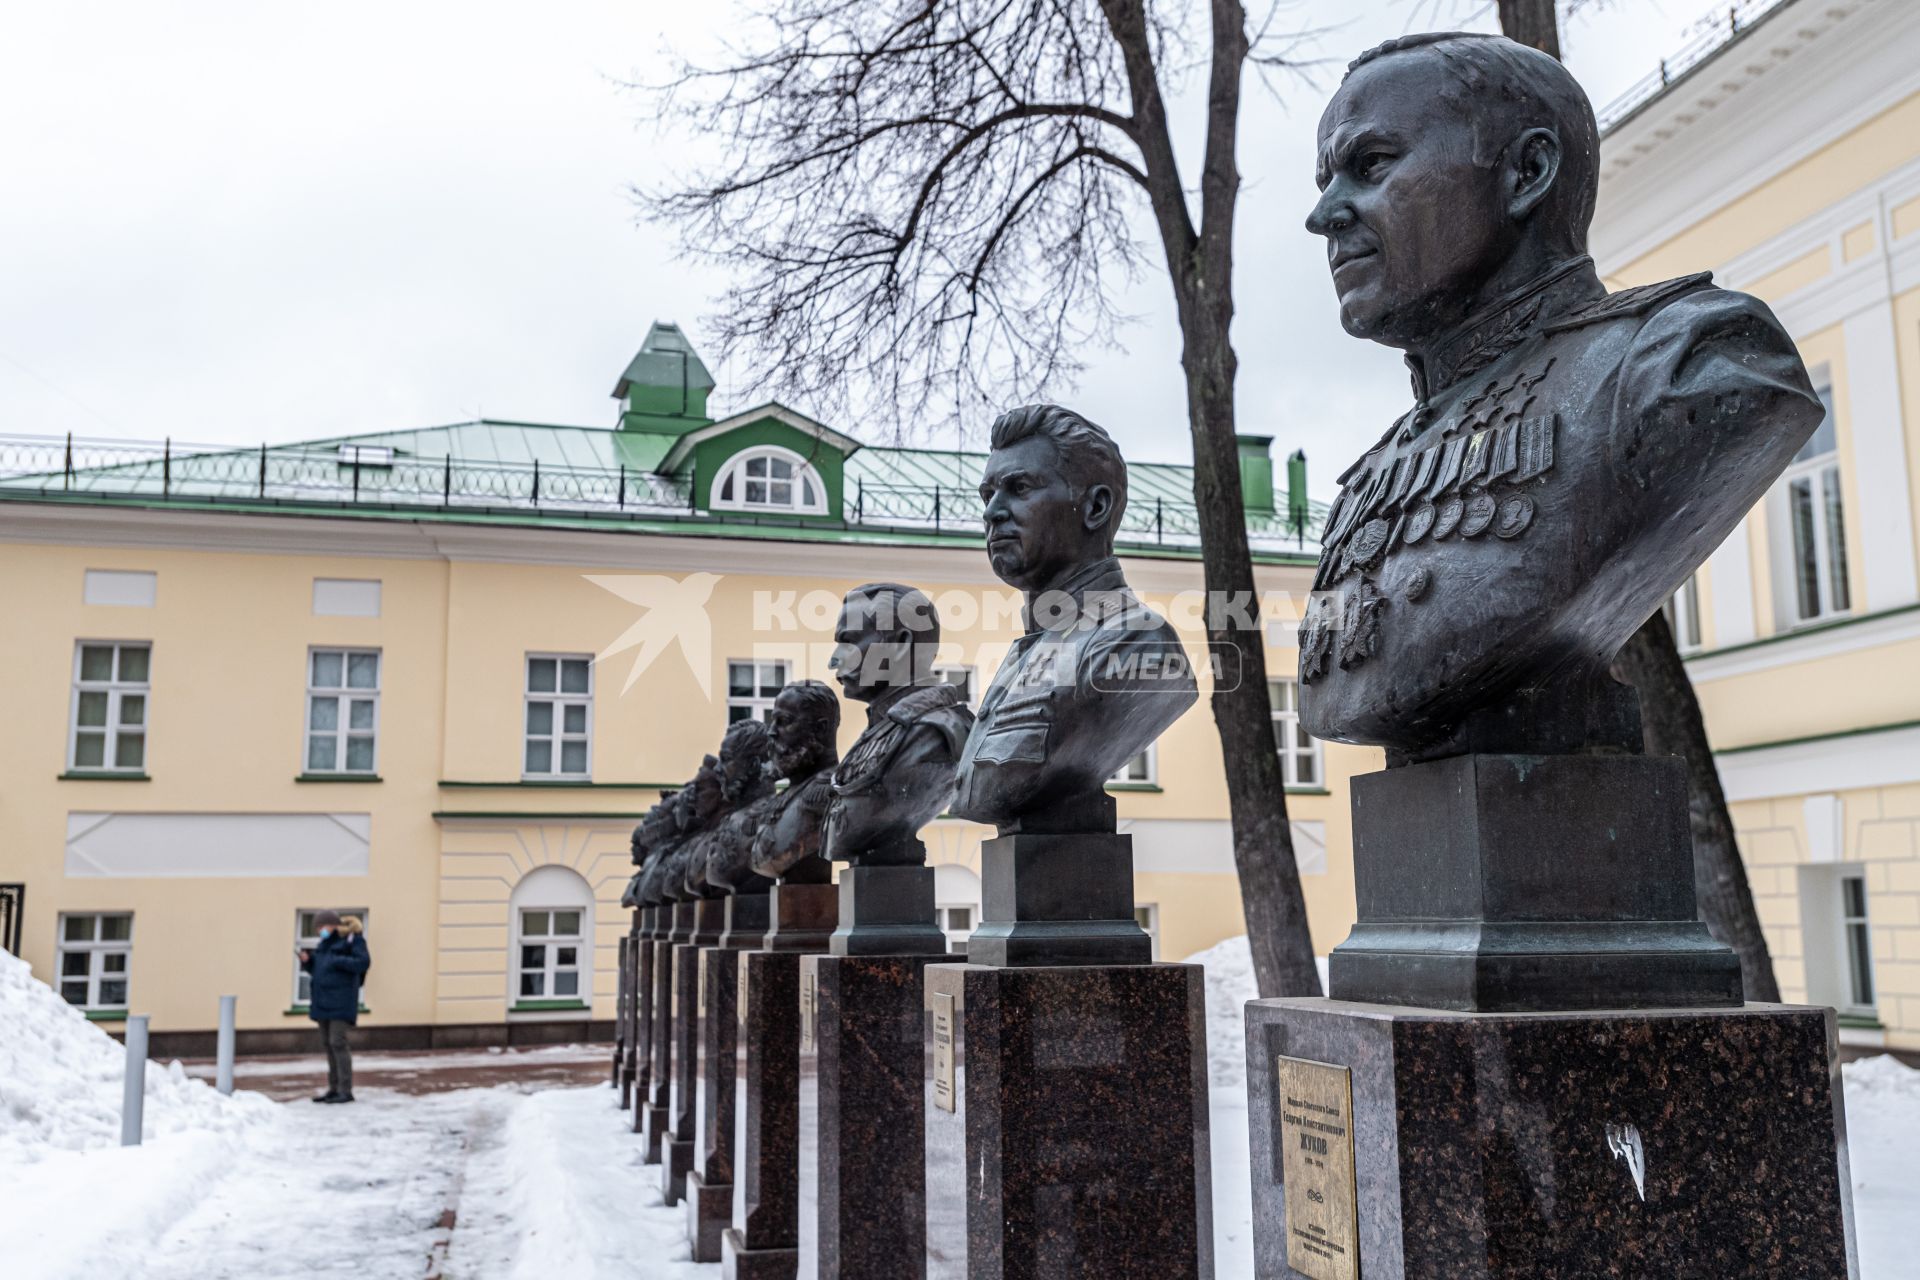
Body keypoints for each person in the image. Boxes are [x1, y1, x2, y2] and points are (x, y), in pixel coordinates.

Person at [1298, 32, 1820, 761]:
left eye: (1372, 164)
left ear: (1527, 172)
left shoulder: (1691, 361)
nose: (1324, 214)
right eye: (1325, 180)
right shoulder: (1377, 474)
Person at [299, 910, 370, 1103]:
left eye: (322, 927)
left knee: (338, 1043)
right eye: (317, 928)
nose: (319, 931)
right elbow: (320, 970)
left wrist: (337, 961)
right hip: (322, 1001)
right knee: (328, 1045)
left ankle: (345, 1090)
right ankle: (333, 1088)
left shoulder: (352, 940)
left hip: (341, 1000)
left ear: (333, 925)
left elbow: (363, 962)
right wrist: (308, 963)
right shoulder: (324, 945)